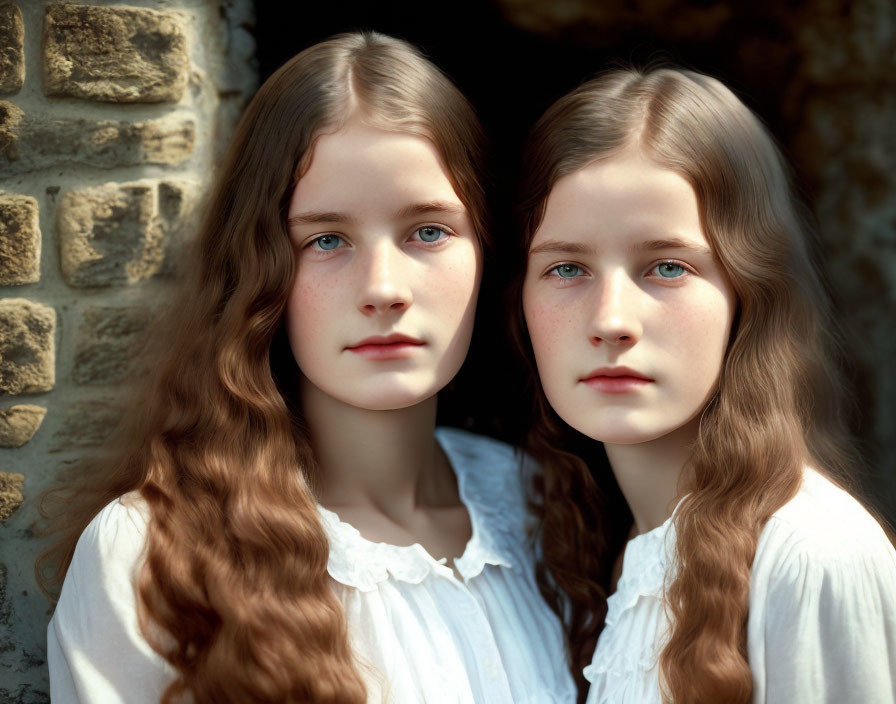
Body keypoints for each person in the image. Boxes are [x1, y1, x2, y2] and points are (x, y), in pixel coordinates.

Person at [41, 32, 575, 704]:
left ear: (486, 249)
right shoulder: (157, 554)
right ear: (259, 269)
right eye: (326, 239)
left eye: (428, 231)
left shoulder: (541, 505)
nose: (384, 287)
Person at [512, 66, 896, 703]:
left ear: (750, 291)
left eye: (667, 266)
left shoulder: (811, 557)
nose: (611, 320)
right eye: (567, 267)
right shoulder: (594, 547)